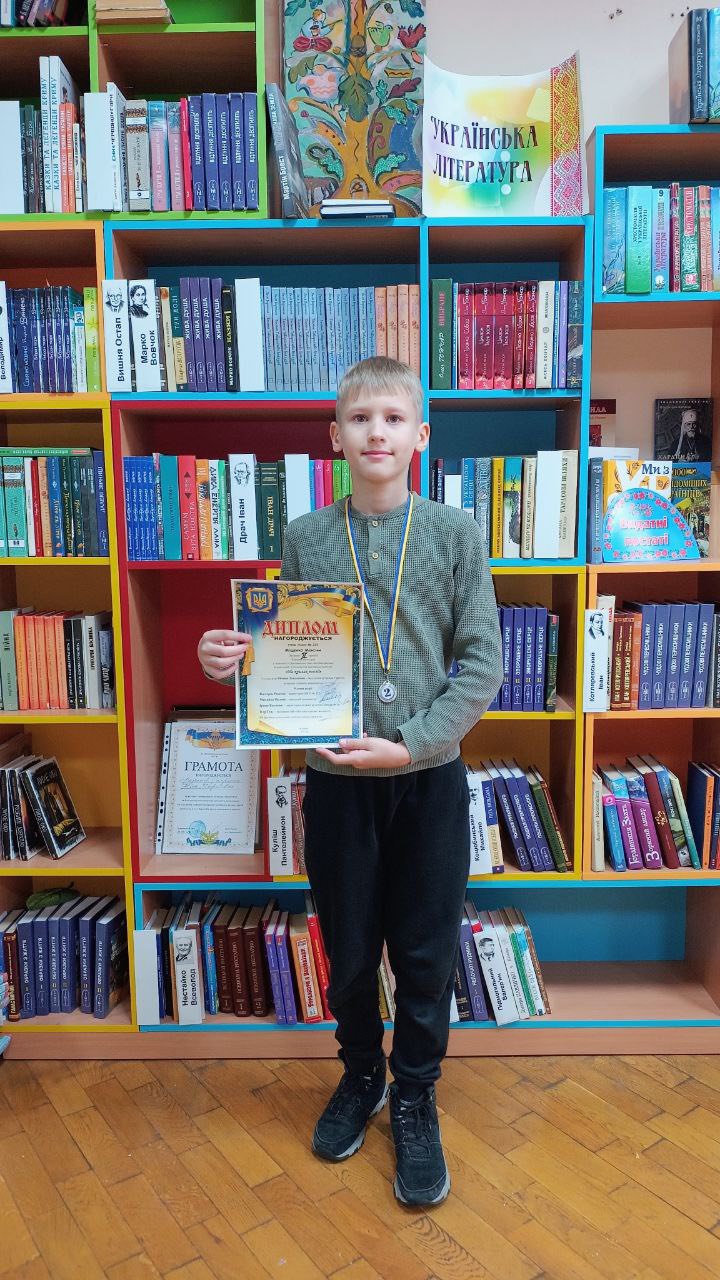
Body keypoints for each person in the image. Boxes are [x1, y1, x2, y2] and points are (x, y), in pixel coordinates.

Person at [197, 356, 503, 1207]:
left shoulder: (456, 533)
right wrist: (230, 660)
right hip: (335, 781)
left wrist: (413, 743)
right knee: (350, 948)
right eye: (361, 419)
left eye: (393, 419)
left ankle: (415, 1094)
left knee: (425, 952)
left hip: (427, 778)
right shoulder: (306, 535)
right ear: (335, 437)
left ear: (419, 436)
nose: (377, 432)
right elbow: (291, 650)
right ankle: (362, 1073)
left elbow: (483, 664)